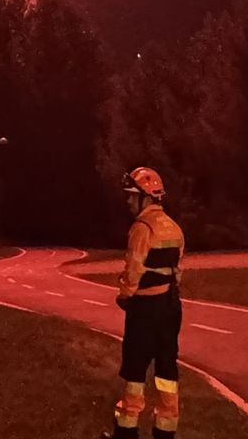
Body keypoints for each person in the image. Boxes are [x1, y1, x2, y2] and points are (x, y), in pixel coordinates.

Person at [107, 166, 185, 437]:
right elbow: (178, 270)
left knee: (134, 371)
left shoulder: (142, 228)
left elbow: (133, 270)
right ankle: (165, 430)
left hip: (145, 310)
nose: (128, 201)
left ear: (146, 198)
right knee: (167, 371)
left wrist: (125, 296)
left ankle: (127, 430)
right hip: (171, 306)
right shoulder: (174, 228)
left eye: (132, 196)